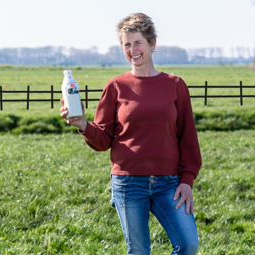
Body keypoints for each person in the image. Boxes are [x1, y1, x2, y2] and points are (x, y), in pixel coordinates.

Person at [60, 13, 202, 255]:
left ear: (152, 44)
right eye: (126, 44)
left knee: (188, 245)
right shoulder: (115, 87)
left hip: (168, 183)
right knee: (138, 251)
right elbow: (103, 139)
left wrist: (187, 180)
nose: (132, 49)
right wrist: (83, 124)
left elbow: (187, 137)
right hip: (128, 183)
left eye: (138, 42)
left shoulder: (175, 85)